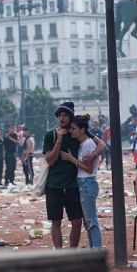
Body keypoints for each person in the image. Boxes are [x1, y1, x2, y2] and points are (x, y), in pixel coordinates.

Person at [43, 101, 105, 249]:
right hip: (54, 185)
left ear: (71, 117)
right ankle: (59, 253)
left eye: (65, 115)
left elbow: (101, 145)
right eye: (59, 115)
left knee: (77, 222)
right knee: (56, 222)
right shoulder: (50, 135)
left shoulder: (76, 131)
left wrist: (93, 155)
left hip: (74, 185)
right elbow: (50, 161)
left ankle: (72, 254)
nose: (62, 119)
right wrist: (59, 140)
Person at [60, 114, 103, 249]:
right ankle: (94, 249)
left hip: (87, 183)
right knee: (88, 221)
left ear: (82, 130)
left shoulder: (88, 144)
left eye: (73, 128)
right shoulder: (84, 144)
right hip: (84, 184)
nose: (71, 131)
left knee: (91, 221)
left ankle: (96, 250)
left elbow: (89, 169)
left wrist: (71, 159)